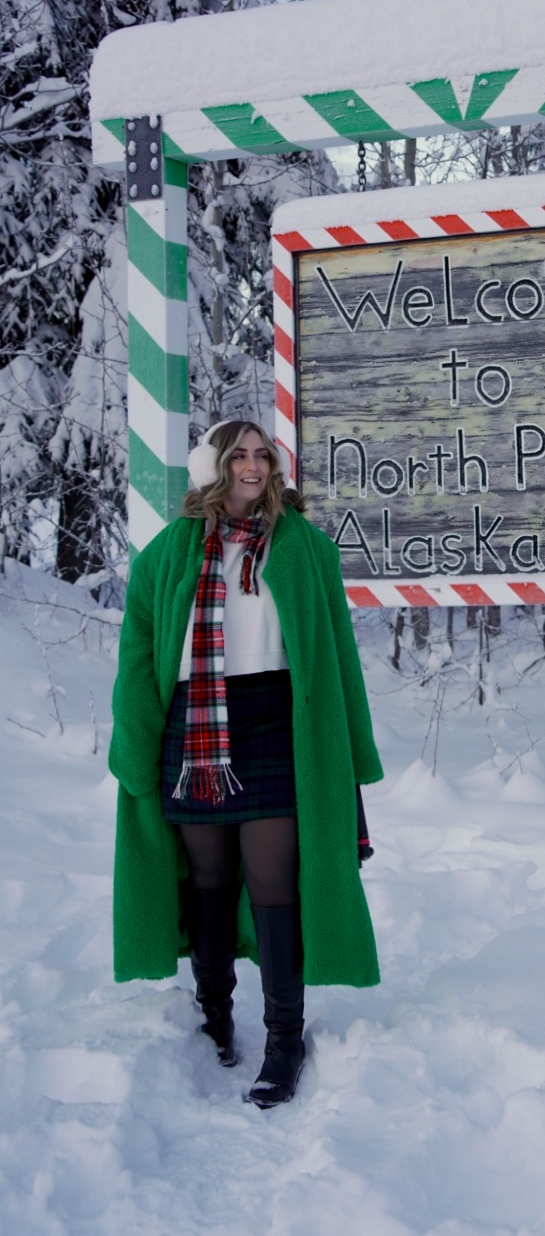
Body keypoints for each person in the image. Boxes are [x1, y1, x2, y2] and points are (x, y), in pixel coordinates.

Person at [109, 419, 383, 1108]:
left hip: (277, 723)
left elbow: (338, 655)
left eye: (264, 456)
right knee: (208, 875)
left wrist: (352, 749)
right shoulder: (169, 552)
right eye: (240, 455)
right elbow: (139, 656)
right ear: (215, 467)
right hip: (194, 722)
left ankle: (283, 1039)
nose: (254, 466)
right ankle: (213, 1016)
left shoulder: (306, 548)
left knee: (273, 874)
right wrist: (136, 747)